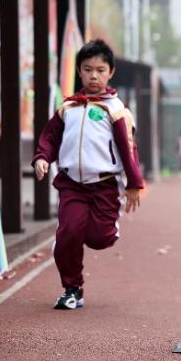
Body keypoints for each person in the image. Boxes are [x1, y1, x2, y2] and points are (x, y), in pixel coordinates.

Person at [32, 39, 144, 310]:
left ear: (110, 72)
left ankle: (102, 227)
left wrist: (134, 183)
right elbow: (49, 137)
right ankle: (73, 289)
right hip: (72, 184)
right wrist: (42, 158)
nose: (94, 75)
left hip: (104, 185)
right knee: (70, 232)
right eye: (87, 69)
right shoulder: (68, 107)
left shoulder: (115, 109)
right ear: (79, 72)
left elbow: (128, 149)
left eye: (100, 70)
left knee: (99, 237)